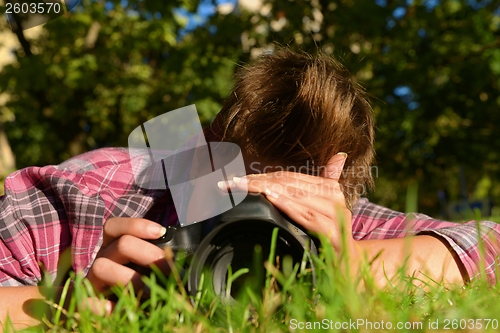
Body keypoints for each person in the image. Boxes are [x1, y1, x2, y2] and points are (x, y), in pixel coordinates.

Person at [0, 49, 499, 330]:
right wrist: (64, 308)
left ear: (337, 195)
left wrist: (352, 265)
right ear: (197, 157)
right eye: (230, 201)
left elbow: (491, 245)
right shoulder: (94, 194)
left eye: (285, 212)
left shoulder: (336, 221)